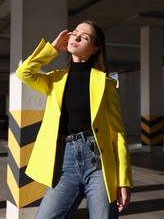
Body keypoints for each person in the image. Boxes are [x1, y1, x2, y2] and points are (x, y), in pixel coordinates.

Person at [16, 20, 133, 219]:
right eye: (75, 32)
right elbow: (24, 73)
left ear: (95, 49)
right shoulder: (55, 80)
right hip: (65, 163)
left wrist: (124, 180)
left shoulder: (105, 84)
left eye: (85, 37)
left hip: (98, 163)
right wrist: (52, 49)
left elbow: (118, 132)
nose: (76, 37)